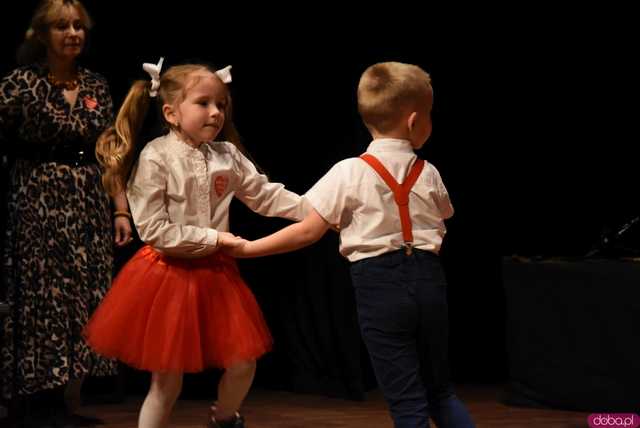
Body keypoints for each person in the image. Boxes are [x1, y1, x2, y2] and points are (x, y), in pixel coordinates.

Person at [226, 61, 476, 428]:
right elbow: (442, 218)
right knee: (440, 392)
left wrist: (249, 248)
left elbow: (308, 229)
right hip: (429, 282)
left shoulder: (349, 171)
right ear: (413, 121)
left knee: (407, 401)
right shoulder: (430, 171)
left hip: (380, 286)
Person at [83, 58, 308, 428]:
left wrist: (315, 211)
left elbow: (265, 195)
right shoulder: (156, 156)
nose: (216, 112)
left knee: (243, 363)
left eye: (221, 104)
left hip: (216, 275)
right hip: (168, 277)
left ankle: (223, 417)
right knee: (166, 380)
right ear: (171, 113)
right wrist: (214, 237)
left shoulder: (227, 156)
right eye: (204, 103)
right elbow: (155, 229)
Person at [0, 0, 132, 426]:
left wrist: (120, 211)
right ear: (41, 34)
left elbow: (111, 153)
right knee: (43, 298)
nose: (73, 33)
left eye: (78, 26)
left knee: (84, 298)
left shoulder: (96, 85)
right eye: (61, 26)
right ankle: (36, 401)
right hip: (37, 200)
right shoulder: (19, 84)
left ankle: (69, 400)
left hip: (88, 204)